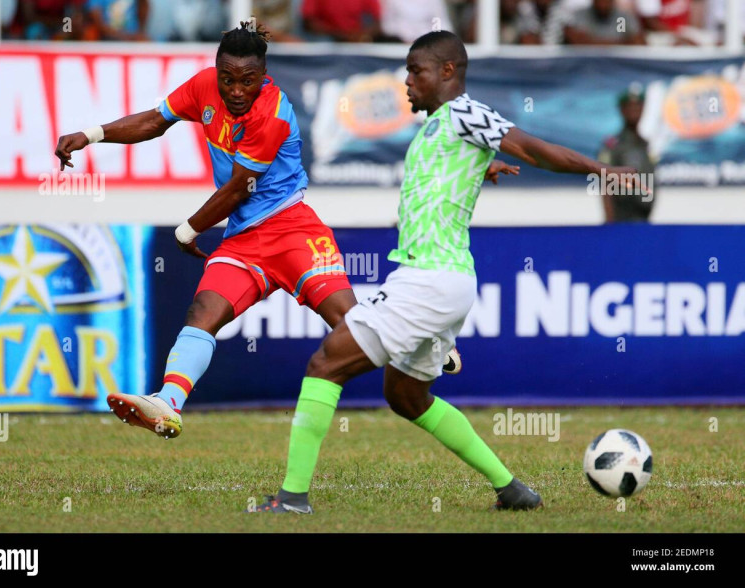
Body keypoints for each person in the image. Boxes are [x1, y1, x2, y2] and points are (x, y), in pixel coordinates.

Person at [252, 30, 641, 514]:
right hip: (442, 282)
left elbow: (534, 149)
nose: (407, 81)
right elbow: (447, 172)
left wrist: (602, 170)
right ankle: (512, 490)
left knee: (326, 363)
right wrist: (482, 168)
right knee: (406, 396)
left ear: (448, 71)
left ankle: (292, 499)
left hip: (428, 281)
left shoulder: (463, 112)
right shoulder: (439, 126)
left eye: (416, 71)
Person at [54, 22, 466, 439]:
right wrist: (91, 135)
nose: (236, 90)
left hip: (293, 230)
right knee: (203, 313)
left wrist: (187, 231)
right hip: (243, 239)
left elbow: (238, 188)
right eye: (227, 79)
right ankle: (168, 403)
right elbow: (154, 121)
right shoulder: (202, 86)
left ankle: (424, 342)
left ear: (263, 75)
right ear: (217, 72)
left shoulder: (273, 111)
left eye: (247, 81)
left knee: (347, 322)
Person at [598, 84, 656, 222]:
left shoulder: (645, 145)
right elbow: (605, 185)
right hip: (621, 221)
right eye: (630, 107)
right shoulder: (614, 145)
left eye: (638, 106)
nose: (634, 111)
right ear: (622, 110)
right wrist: (610, 224)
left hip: (643, 220)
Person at [563, 0, 645, 45]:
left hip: (618, 65)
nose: (603, 3)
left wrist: (592, 42)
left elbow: (638, 42)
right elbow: (575, 40)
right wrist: (620, 43)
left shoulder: (622, 18)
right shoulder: (580, 16)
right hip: (586, 66)